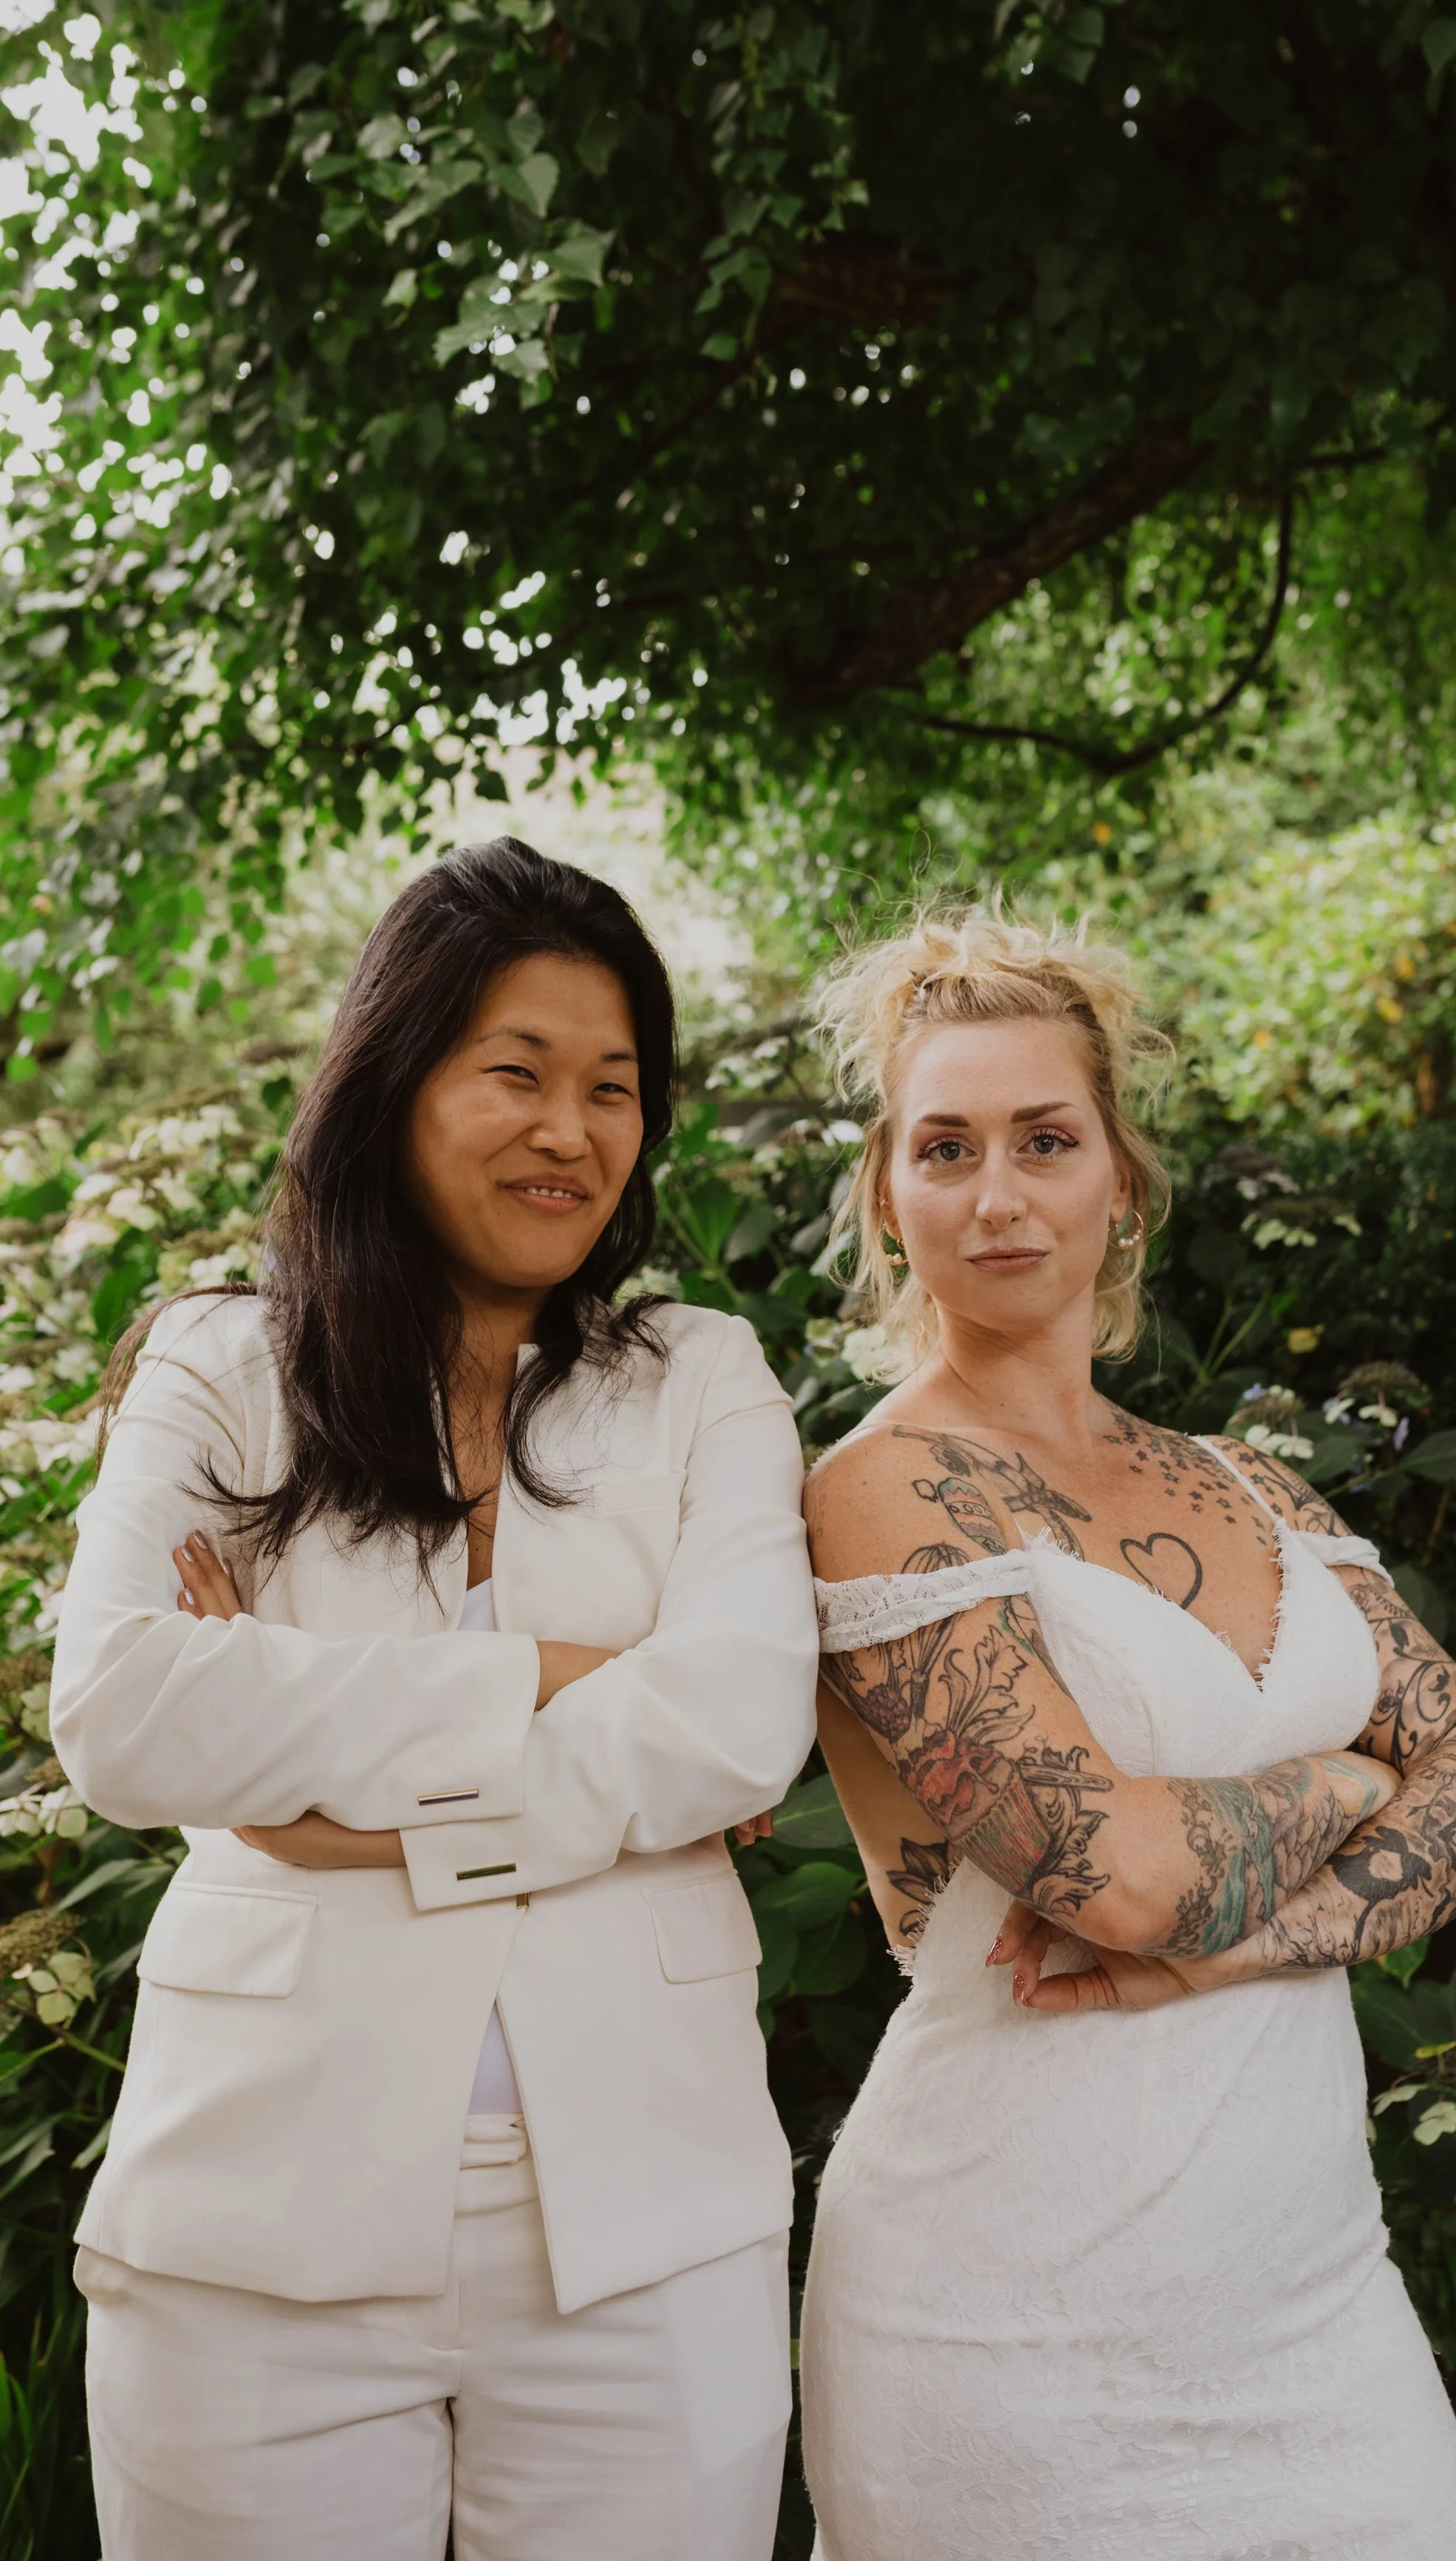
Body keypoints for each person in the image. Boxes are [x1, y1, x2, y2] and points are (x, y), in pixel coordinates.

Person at [50, 839, 818, 2561]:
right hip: (255, 2216)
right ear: (396, 1084)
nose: (573, 1127)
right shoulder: (223, 1364)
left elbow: (737, 1720)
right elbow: (121, 1709)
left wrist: (314, 1789)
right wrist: (558, 1682)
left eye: (613, 1087)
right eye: (518, 1072)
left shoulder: (698, 1375)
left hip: (647, 2214)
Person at [797, 908, 1456, 2560]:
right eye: (945, 1146)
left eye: (1044, 1139)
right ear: (886, 1192)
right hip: (1002, 2315)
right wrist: (1357, 1774)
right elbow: (1113, 1877)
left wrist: (1229, 1948)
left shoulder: (1256, 1483)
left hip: (1310, 2285)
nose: (996, 1193)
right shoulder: (880, 1490)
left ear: (1117, 1178)